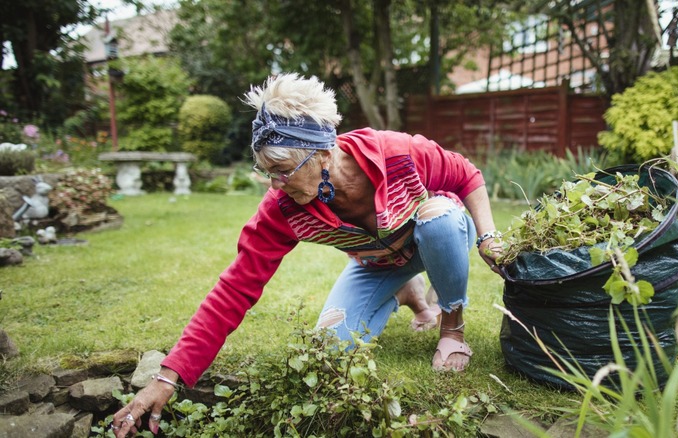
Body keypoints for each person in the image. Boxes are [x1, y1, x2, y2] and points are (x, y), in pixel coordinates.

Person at [110, 73, 504, 437]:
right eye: (266, 172)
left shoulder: (395, 151)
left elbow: (465, 174)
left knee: (441, 220)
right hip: (377, 262)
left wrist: (486, 236)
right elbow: (234, 289)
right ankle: (408, 291)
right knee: (329, 352)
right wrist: (168, 377)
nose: (276, 184)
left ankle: (451, 326)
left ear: (323, 153)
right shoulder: (282, 207)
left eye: (282, 169)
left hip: (435, 234)